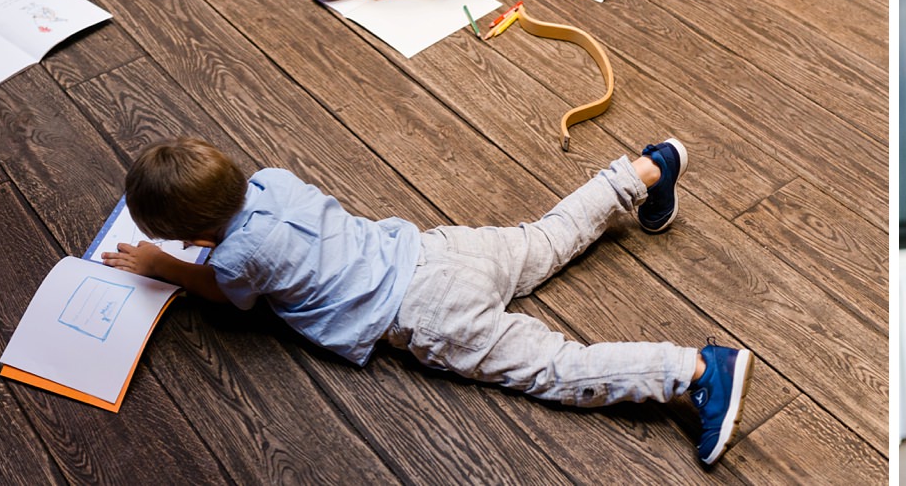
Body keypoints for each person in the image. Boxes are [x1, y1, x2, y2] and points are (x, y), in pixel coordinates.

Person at [99, 136, 755, 465]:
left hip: (425, 316)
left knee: (553, 367)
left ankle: (696, 371)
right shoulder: (271, 181)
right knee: (547, 237)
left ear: (192, 234)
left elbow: (228, 295)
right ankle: (643, 170)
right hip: (438, 250)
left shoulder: (234, 257)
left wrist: (168, 266)